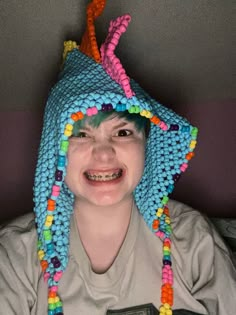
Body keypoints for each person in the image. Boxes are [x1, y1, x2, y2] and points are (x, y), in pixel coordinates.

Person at [0, 1, 235, 315]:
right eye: (80, 134)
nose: (104, 152)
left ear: (146, 144)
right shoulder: (16, 257)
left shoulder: (193, 241)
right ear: (55, 150)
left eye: (123, 132)